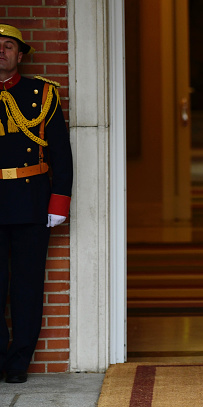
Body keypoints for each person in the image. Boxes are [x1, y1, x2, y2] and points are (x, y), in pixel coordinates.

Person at [0, 24, 73, 383]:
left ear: (20, 54)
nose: (1, 51)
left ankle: (18, 362)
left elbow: (60, 151)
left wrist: (59, 200)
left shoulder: (42, 94)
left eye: (8, 45)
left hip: (31, 200)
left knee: (27, 286)